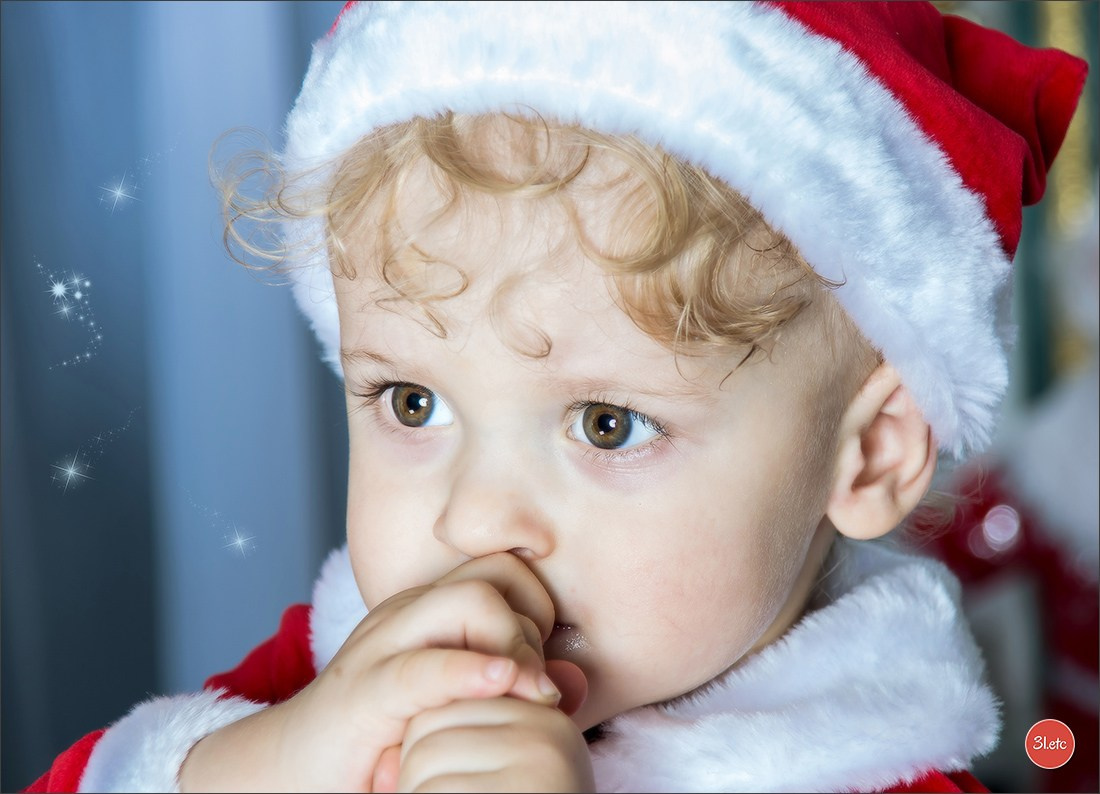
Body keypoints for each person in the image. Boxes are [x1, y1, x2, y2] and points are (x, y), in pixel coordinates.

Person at [26, 2, 1087, 792]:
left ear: (867, 455)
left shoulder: (876, 772)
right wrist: (260, 768)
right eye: (409, 402)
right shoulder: (333, 682)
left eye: (605, 422)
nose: (473, 518)